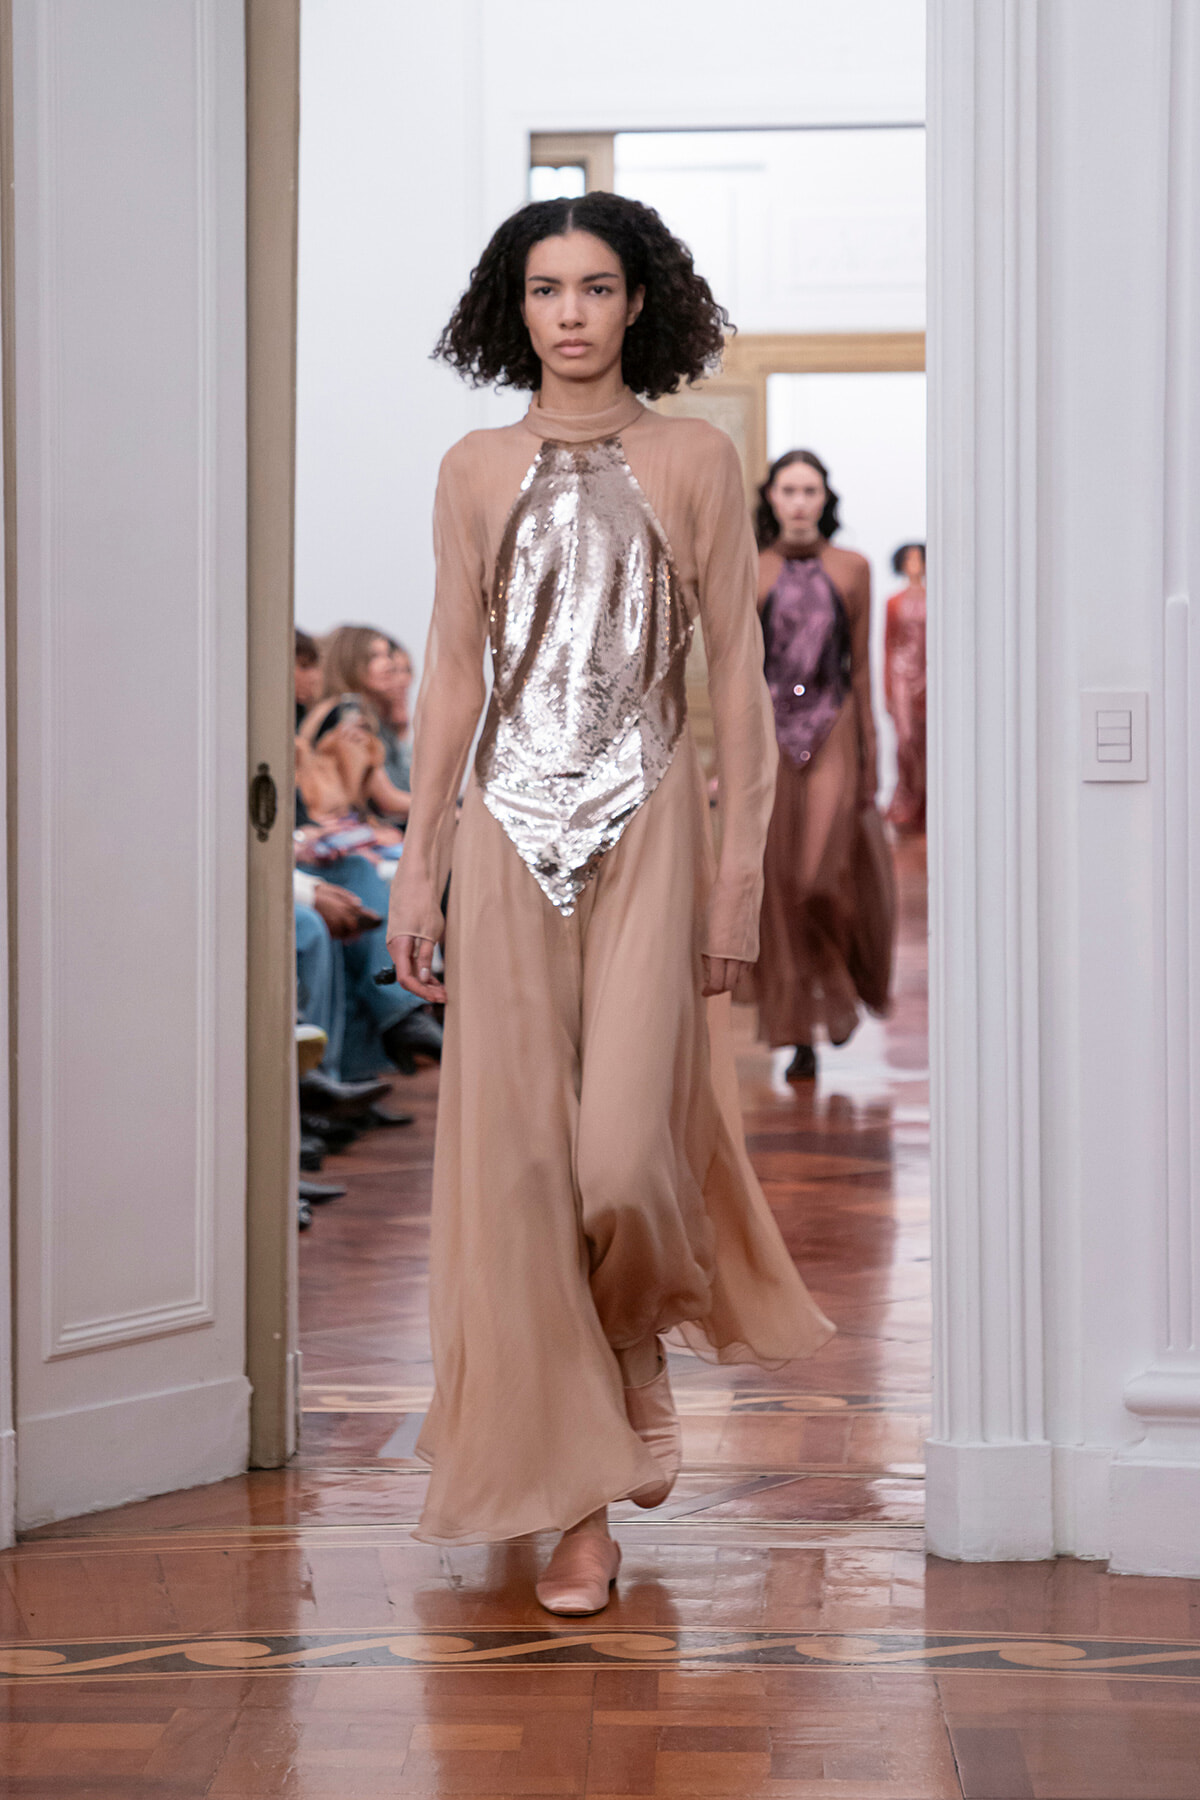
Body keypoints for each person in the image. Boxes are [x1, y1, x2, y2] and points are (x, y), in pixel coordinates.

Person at [386, 192, 833, 1614]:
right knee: (517, 1185)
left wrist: (740, 879)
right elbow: (454, 676)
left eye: (593, 286)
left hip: (651, 838)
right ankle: (578, 1509)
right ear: (513, 310)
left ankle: (635, 1340)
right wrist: (416, 864)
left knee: (622, 1162)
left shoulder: (698, 459)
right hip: (504, 847)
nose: (569, 312)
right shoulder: (469, 468)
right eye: (542, 289)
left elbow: (737, 692)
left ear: (639, 301)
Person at [747, 451, 895, 1081]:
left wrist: (871, 758)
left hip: (833, 726)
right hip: (768, 736)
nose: (800, 501)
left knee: (818, 878)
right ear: (772, 498)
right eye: (789, 490)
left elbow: (859, 666)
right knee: (777, 890)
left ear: (825, 498)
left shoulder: (854, 568)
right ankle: (797, 1033)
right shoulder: (748, 569)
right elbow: (738, 674)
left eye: (810, 490)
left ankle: (835, 993)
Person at [884, 542, 927, 834]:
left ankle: (928, 805)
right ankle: (906, 805)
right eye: (909, 558)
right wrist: (888, 688)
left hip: (929, 674)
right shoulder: (893, 602)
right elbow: (889, 646)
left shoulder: (937, 599)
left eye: (919, 557)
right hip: (902, 676)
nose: (914, 563)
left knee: (929, 739)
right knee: (906, 739)